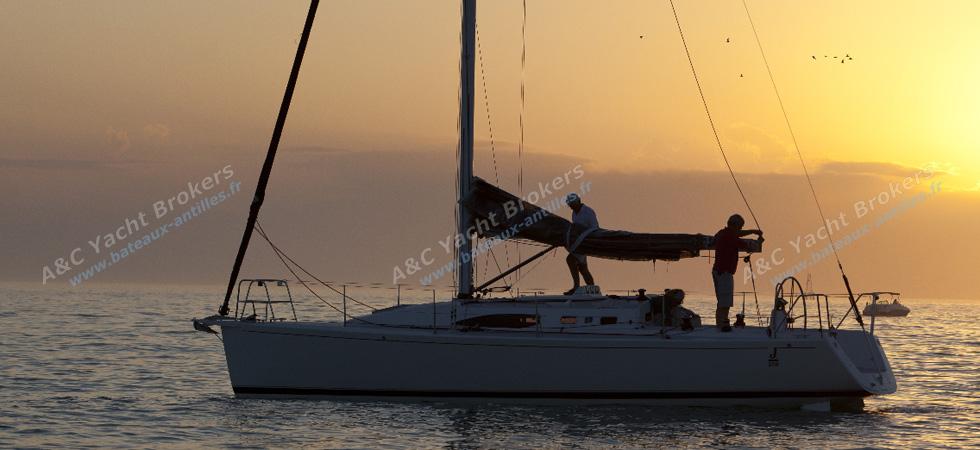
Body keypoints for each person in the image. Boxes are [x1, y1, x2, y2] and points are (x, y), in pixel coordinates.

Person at [712, 214, 763, 332]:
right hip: (724, 273)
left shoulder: (722, 233)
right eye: (740, 227)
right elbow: (746, 246)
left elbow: (737, 234)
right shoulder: (730, 236)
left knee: (722, 301)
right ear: (735, 225)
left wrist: (752, 231)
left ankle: (721, 323)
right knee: (725, 302)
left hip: (718, 271)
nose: (740, 229)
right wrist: (758, 242)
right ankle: (722, 325)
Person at [564, 193, 598, 295]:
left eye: (573, 205)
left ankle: (576, 287)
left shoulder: (588, 212)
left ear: (578, 201)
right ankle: (592, 289)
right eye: (570, 205)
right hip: (577, 243)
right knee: (583, 268)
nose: (571, 207)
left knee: (570, 260)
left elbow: (595, 228)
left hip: (586, 243)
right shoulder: (574, 213)